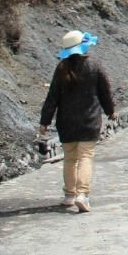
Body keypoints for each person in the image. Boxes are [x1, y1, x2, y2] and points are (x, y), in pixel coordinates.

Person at [38, 30, 115, 213]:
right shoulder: (95, 65)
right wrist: (110, 111)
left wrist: (45, 121)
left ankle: (69, 195)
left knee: (70, 159)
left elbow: (52, 97)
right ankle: (83, 194)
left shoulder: (62, 67)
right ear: (84, 46)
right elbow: (105, 91)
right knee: (85, 157)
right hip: (89, 121)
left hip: (66, 122)